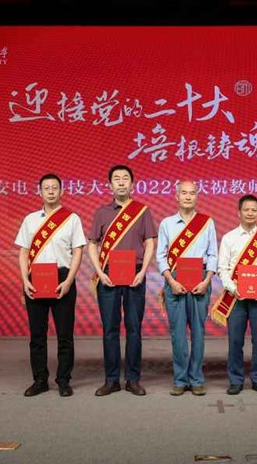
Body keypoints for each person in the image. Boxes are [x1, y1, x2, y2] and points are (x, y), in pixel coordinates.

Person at [88, 165, 157, 397]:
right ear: (110, 185)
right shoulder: (102, 212)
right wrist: (100, 272)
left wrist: (143, 271)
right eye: (116, 179)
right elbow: (92, 244)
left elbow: (150, 242)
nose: (121, 182)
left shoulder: (142, 211)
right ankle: (111, 380)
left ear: (132, 184)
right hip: (108, 274)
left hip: (135, 274)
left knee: (134, 328)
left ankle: (133, 379)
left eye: (125, 178)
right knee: (110, 328)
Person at [15, 174, 86, 397]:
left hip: (62, 278)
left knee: (65, 335)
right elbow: (23, 252)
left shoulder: (72, 219)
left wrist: (69, 281)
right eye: (46, 188)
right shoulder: (30, 220)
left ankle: (63, 380)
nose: (51, 191)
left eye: (55, 188)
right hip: (36, 278)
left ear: (61, 191)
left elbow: (78, 251)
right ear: (40, 192)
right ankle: (40, 380)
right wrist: (25, 280)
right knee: (37, 335)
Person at [156, 181, 217, 396]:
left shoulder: (206, 222)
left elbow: (212, 254)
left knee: (198, 333)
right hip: (175, 280)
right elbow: (161, 256)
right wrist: (170, 281)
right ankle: (180, 379)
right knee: (178, 333)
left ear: (197, 197)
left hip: (200, 279)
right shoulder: (167, 224)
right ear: (176, 196)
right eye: (184, 193)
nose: (188, 197)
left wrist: (207, 280)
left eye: (192, 193)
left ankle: (197, 379)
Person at [216, 194, 257, 395]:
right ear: (239, 213)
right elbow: (222, 268)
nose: (250, 213)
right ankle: (235, 380)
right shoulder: (229, 238)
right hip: (236, 298)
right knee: (235, 341)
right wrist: (233, 288)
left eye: (254, 210)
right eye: (246, 210)